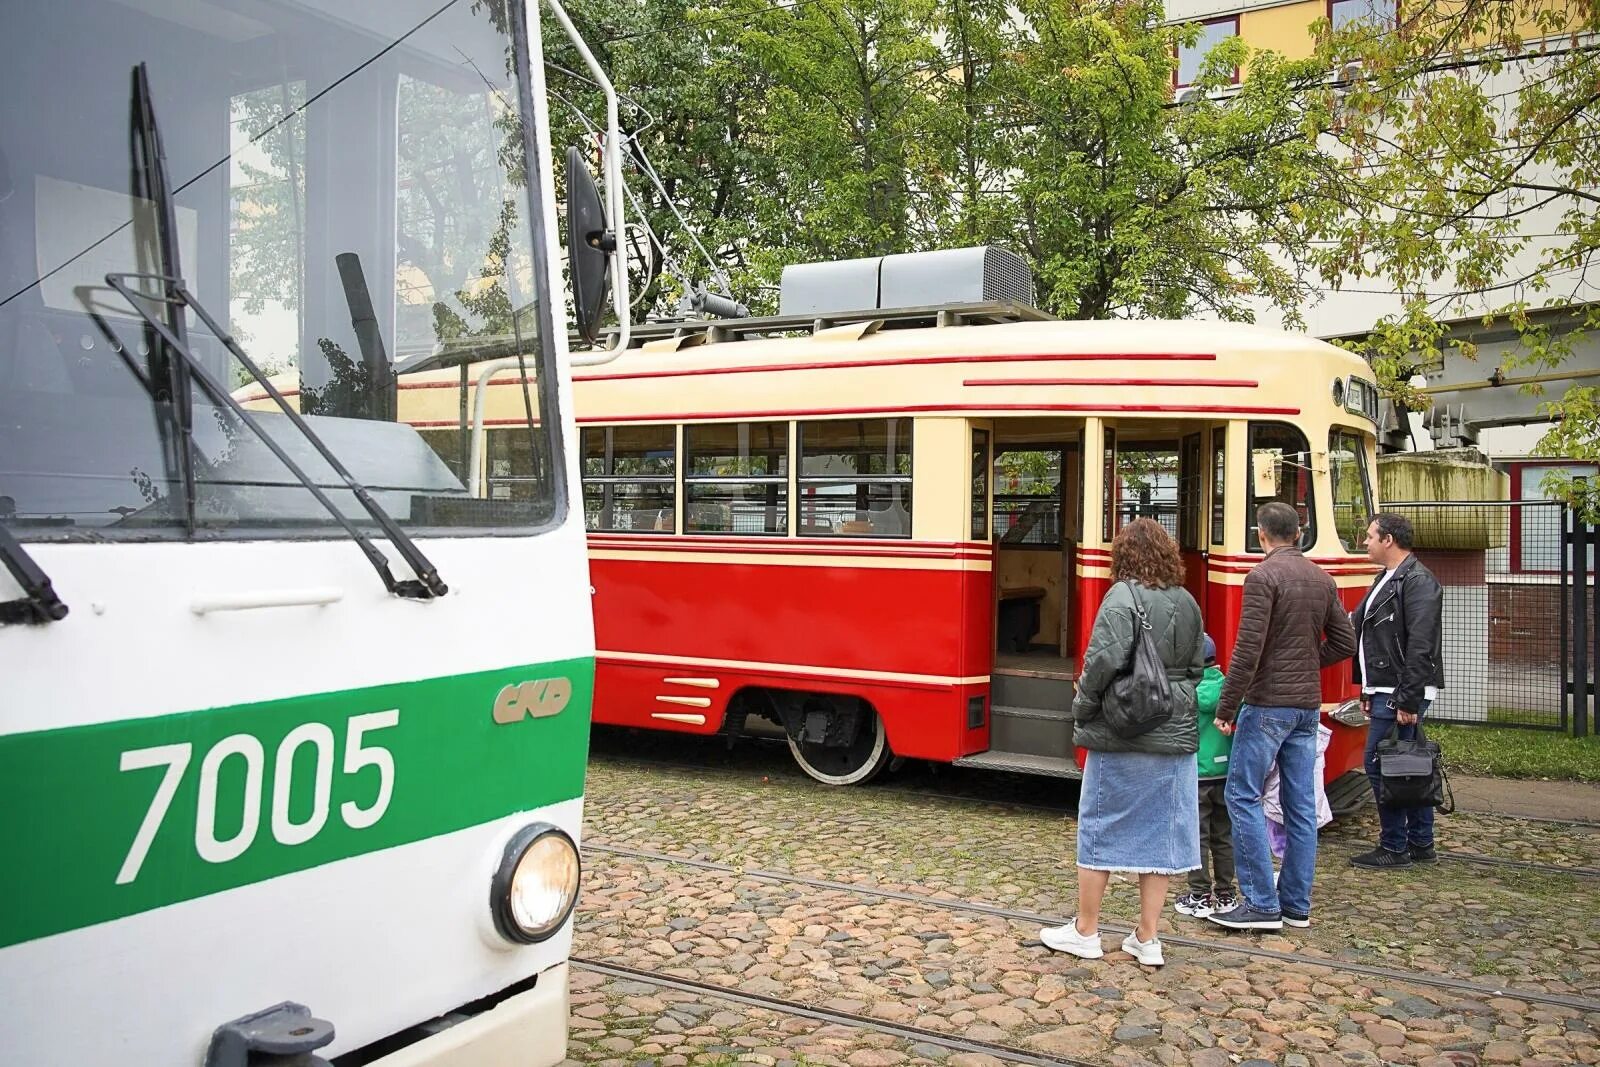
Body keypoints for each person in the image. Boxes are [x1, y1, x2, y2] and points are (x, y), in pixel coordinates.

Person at [1040, 518, 1205, 967]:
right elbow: (1196, 666)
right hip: (1173, 729)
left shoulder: (1122, 597)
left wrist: (1082, 707)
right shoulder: (1188, 601)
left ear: (1123, 556)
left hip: (1122, 728)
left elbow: (1102, 662)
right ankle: (1148, 938)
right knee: (1161, 836)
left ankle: (1086, 931)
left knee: (1100, 826)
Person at [1208, 501, 1357, 932]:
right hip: (1306, 708)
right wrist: (1309, 665)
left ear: (1262, 535)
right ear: (1298, 533)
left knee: (1242, 795)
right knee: (1300, 806)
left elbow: (1248, 649)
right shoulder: (1321, 578)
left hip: (1267, 705)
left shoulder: (1263, 576)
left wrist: (1227, 705)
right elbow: (1344, 641)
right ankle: (1295, 904)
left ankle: (1259, 902)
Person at [1349, 512, 1445, 869]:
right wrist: (1366, 686)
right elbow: (1368, 635)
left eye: (1371, 536)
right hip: (1387, 687)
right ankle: (1420, 843)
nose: (1365, 542)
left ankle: (1394, 845)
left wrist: (1408, 698)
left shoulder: (1417, 581)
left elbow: (1422, 643)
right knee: (1409, 764)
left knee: (1381, 764)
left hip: (1400, 689)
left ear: (1388, 539)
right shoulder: (1388, 577)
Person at [1174, 634, 1234, 918]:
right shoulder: (1230, 689)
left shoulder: (1188, 693)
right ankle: (1226, 893)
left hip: (1196, 775)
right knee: (1223, 836)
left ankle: (1199, 894)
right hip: (1225, 774)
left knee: (1196, 837)